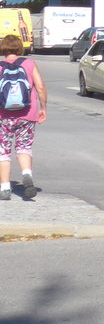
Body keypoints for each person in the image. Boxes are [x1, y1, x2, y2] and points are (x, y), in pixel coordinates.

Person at [0, 33, 47, 201]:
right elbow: (40, 87)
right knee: (24, 148)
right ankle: (26, 175)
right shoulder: (29, 63)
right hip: (28, 113)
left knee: (3, 151)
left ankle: (5, 189)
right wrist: (43, 108)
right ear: (19, 47)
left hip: (3, 116)